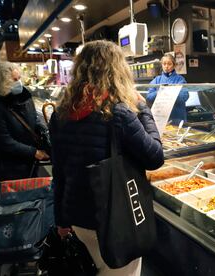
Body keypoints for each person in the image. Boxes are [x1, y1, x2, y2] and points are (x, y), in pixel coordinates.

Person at [49, 40, 164, 275]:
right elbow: (155, 157)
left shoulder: (60, 114)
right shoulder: (119, 111)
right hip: (117, 217)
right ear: (118, 70)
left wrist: (61, 220)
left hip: (78, 218)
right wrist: (143, 109)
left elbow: (58, 172)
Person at [0, 62, 50, 181]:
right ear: (1, 82)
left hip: (29, 163)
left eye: (19, 78)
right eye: (14, 79)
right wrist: (34, 152)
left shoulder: (26, 97)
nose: (18, 82)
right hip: (9, 167)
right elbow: (4, 141)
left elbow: (34, 119)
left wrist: (43, 129)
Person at [146, 53, 189, 124]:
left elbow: (184, 96)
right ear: (162, 65)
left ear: (174, 65)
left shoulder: (180, 79)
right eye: (164, 64)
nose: (166, 66)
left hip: (177, 118)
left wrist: (168, 91)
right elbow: (149, 98)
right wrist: (161, 91)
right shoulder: (156, 80)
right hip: (160, 118)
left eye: (169, 64)